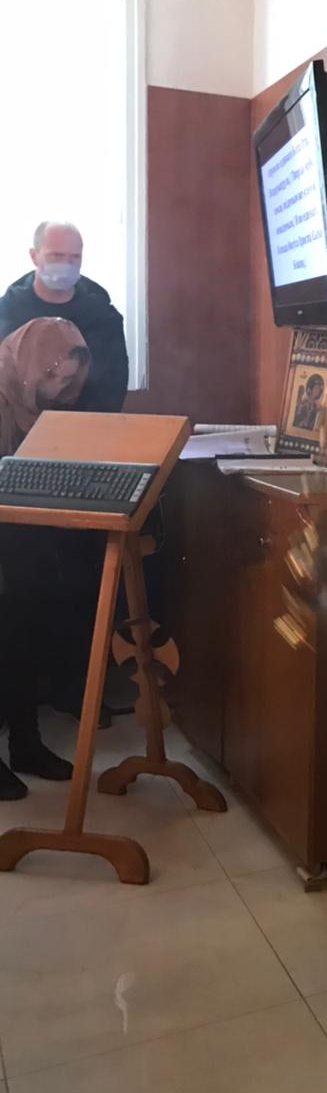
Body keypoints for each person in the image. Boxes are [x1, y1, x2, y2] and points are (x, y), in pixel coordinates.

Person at [0, 318, 90, 799]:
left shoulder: (38, 406)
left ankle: (26, 743)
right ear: (31, 365)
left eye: (68, 378)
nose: (59, 388)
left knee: (25, 633)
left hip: (19, 535)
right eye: (52, 375)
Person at [0, 221, 129, 413]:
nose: (66, 264)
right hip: (16, 425)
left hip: (82, 424)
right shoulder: (7, 312)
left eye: (74, 257)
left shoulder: (102, 317)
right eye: (56, 256)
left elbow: (112, 386)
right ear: (34, 256)